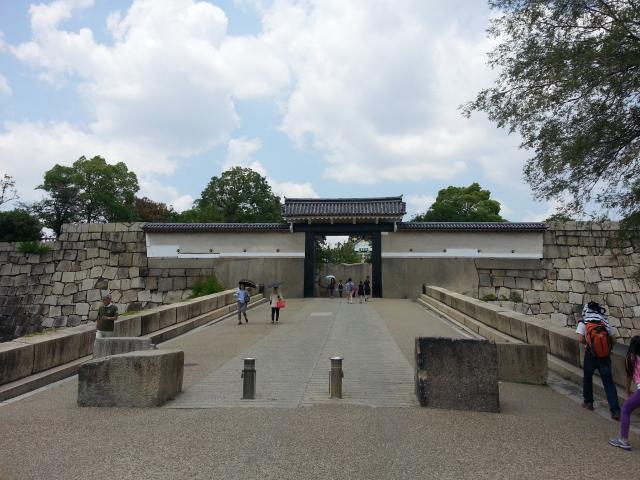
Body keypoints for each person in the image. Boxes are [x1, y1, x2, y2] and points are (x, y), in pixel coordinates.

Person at [576, 301, 620, 419]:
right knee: (608, 382)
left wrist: (590, 344)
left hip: (591, 355)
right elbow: (614, 340)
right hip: (604, 356)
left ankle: (588, 403)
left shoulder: (584, 321)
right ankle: (615, 410)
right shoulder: (604, 321)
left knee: (587, 378)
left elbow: (580, 339)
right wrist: (605, 348)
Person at [609, 336, 640, 451]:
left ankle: (623, 440)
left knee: (625, 409)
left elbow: (628, 376)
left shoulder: (631, 358)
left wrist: (628, 390)